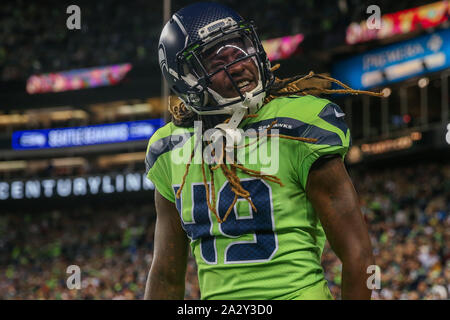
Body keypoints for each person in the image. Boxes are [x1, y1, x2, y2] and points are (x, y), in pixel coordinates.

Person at [144, 2, 378, 300]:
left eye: (240, 50)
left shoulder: (299, 125)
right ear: (185, 77)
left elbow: (358, 255)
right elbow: (165, 274)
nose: (239, 64)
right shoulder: (169, 147)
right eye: (217, 62)